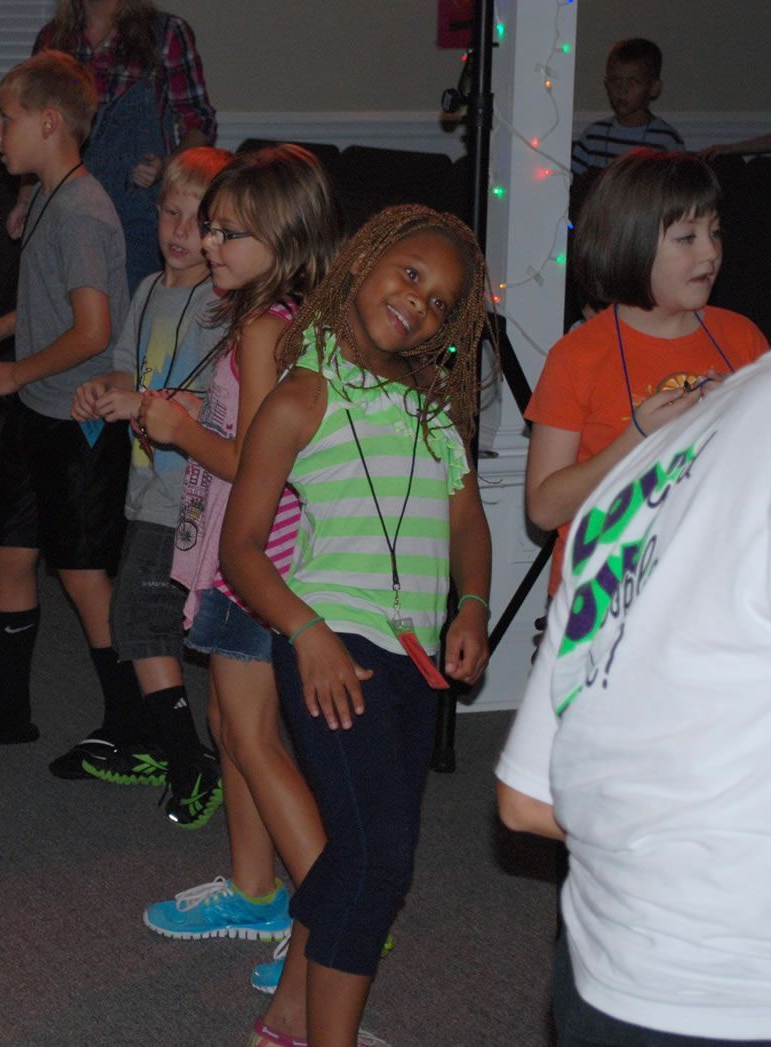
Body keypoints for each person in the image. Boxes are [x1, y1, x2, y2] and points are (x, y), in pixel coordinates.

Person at [220, 205, 493, 1047]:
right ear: (363, 257)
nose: (419, 302)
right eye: (410, 273)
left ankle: (285, 1022)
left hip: (412, 662)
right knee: (377, 858)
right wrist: (306, 633)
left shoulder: (433, 415)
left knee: (363, 849)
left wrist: (473, 605)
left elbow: (468, 524)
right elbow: (240, 551)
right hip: (331, 646)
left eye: (442, 302)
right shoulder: (303, 393)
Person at [498, 350, 771, 1045]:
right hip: (734, 982)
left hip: (609, 959)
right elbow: (543, 500)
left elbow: (527, 799)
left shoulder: (671, 445)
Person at [0, 51, 138, 780]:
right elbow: (52, 306)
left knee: (81, 575)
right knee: (10, 555)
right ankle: (9, 703)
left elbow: (92, 330)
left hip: (77, 421)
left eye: (5, 119)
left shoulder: (80, 209)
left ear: (49, 123)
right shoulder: (49, 195)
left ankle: (129, 723)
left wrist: (13, 372)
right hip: (39, 414)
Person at [135, 145, 338, 880]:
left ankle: (330, 908)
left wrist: (182, 431)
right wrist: (201, 412)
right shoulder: (281, 317)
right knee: (230, 725)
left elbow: (257, 464)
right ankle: (252, 889)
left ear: (284, 241)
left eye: (229, 233)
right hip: (252, 557)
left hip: (253, 559)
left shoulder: (262, 329)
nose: (210, 244)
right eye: (210, 228)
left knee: (250, 737)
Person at [526, 150, 768, 598]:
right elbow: (543, 507)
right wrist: (638, 437)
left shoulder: (743, 339)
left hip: (714, 602)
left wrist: (738, 422)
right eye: (687, 237)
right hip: (604, 607)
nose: (711, 252)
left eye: (715, 232)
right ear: (631, 242)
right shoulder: (577, 357)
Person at [69, 146, 232, 793]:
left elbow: (211, 403)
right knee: (149, 617)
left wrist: (142, 402)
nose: (180, 233)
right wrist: (101, 388)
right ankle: (170, 745)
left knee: (138, 615)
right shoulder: (147, 291)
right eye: (170, 213)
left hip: (189, 491)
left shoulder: (220, 306)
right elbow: (127, 367)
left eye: (199, 221)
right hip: (147, 485)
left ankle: (185, 758)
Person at [20, 0, 218, 292]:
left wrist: (167, 166)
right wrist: (26, 199)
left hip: (137, 219)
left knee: (127, 323)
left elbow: (199, 122)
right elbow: (33, 128)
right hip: (63, 211)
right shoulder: (54, 40)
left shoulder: (165, 34)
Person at [571, 39, 683, 179]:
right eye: (615, 80)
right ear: (607, 83)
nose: (622, 90)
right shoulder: (593, 137)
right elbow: (572, 188)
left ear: (653, 88)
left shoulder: (666, 141)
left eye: (633, 82)